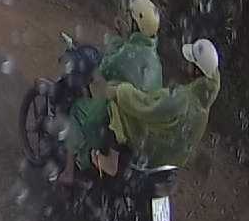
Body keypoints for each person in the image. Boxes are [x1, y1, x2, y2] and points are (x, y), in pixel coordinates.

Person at [59, 39, 220, 184]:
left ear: (197, 71)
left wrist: (122, 91)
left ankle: (100, 163)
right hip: (169, 160)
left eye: (190, 63)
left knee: (116, 110)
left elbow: (147, 106)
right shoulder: (202, 108)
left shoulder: (182, 99)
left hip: (151, 148)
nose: (186, 65)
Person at [98, 0, 163, 92]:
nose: (125, 18)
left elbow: (105, 68)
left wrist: (115, 40)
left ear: (135, 24)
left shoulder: (130, 52)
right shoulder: (154, 58)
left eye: (129, 17)